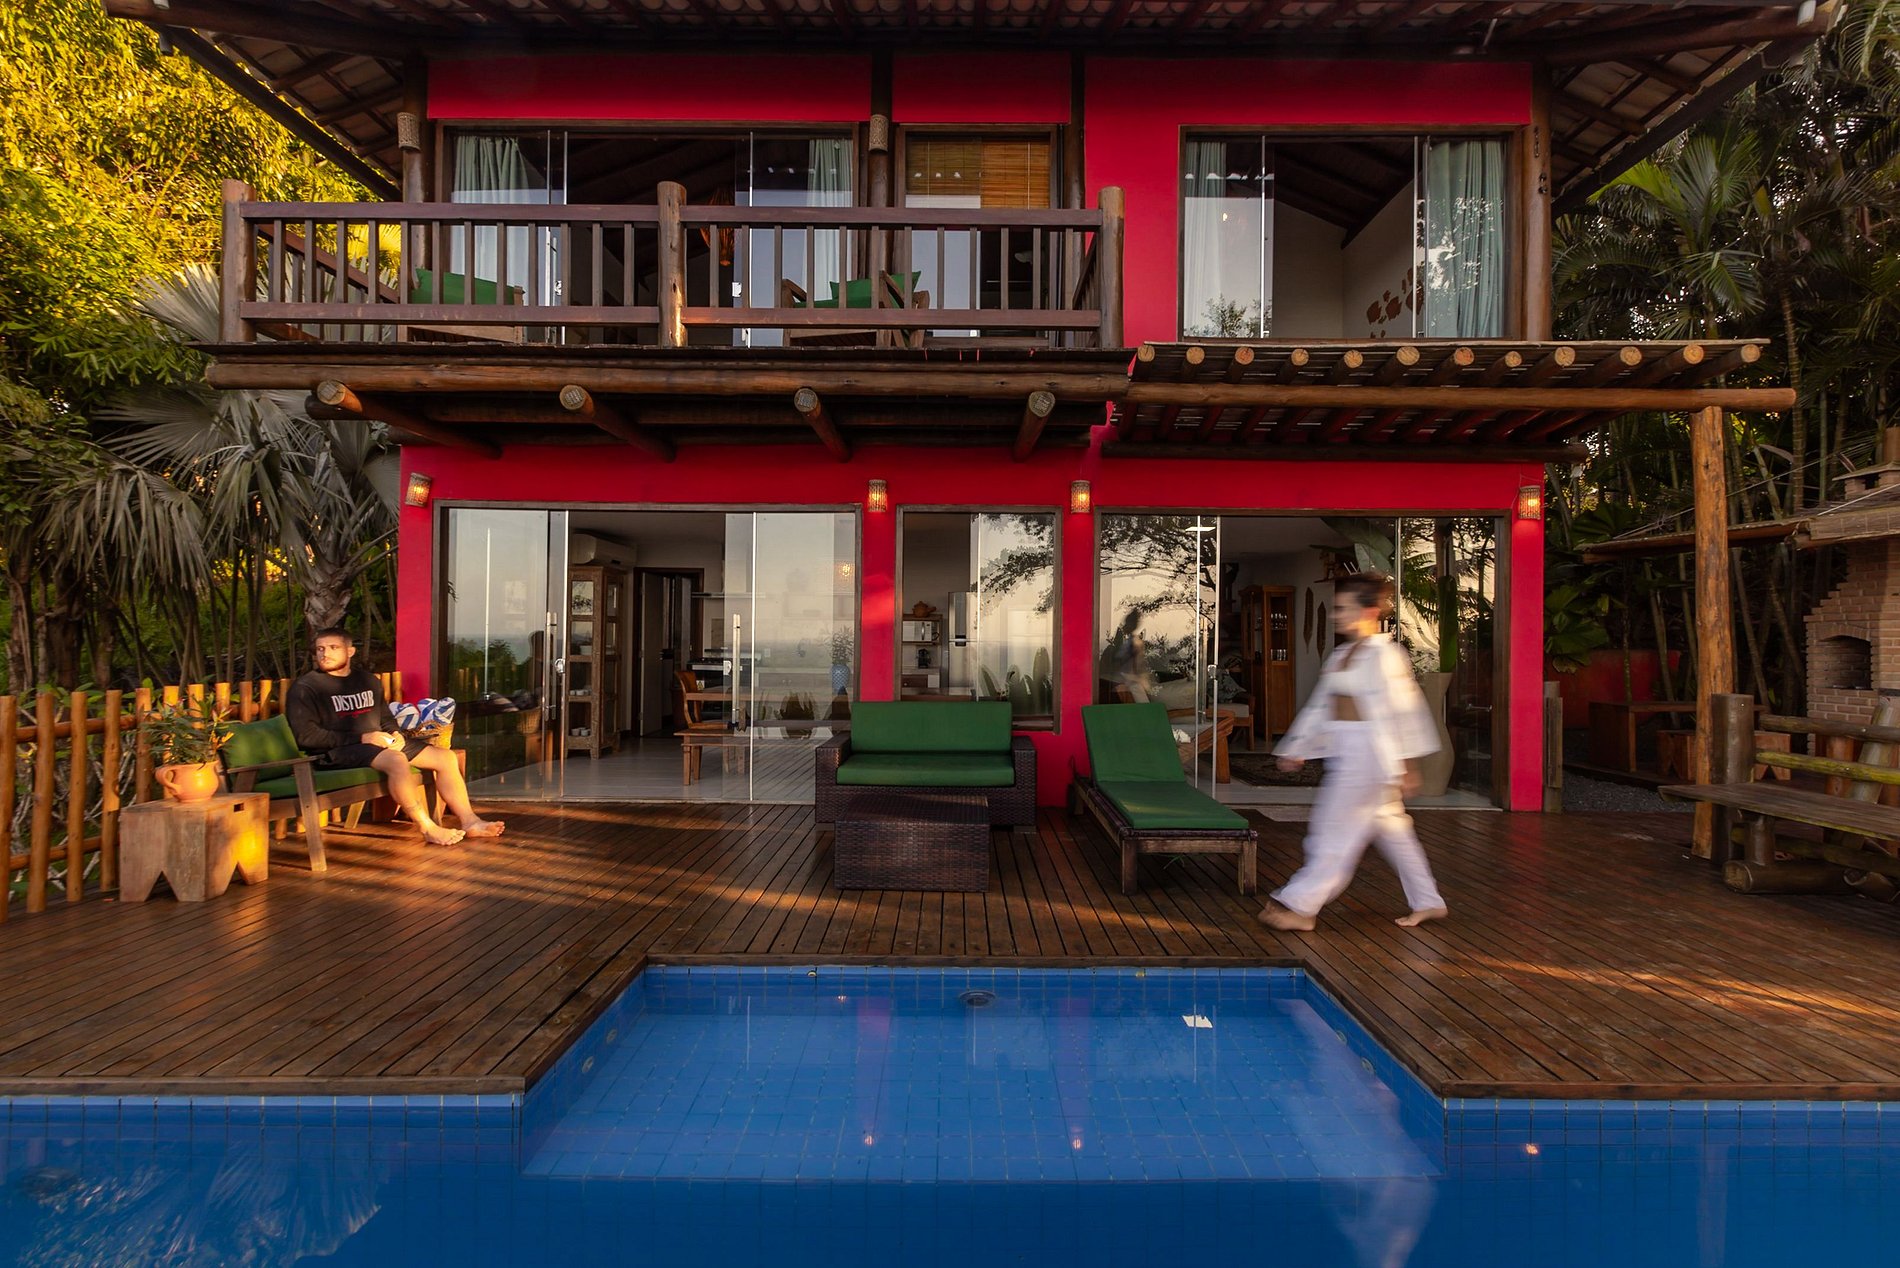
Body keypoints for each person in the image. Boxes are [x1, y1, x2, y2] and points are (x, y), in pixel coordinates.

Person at [1257, 573, 1447, 932]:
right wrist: (1297, 748)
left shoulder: (1387, 656)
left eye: (1343, 608)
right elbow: (1320, 707)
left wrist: (1408, 766)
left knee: (1333, 830)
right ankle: (1428, 900)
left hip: (1371, 756)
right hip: (1346, 750)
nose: (1336, 615)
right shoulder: (1342, 654)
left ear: (1369, 611)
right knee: (1393, 831)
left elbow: (1406, 712)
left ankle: (1301, 906)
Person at [285, 628, 504, 846]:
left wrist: (395, 733)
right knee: (396, 760)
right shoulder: (306, 688)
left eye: (333, 647)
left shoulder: (367, 681)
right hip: (336, 752)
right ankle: (427, 828)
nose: (325, 654)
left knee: (446, 758)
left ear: (350, 651)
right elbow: (306, 737)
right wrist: (363, 738)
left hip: (377, 743)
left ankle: (470, 821)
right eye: (320, 649)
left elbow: (385, 717)